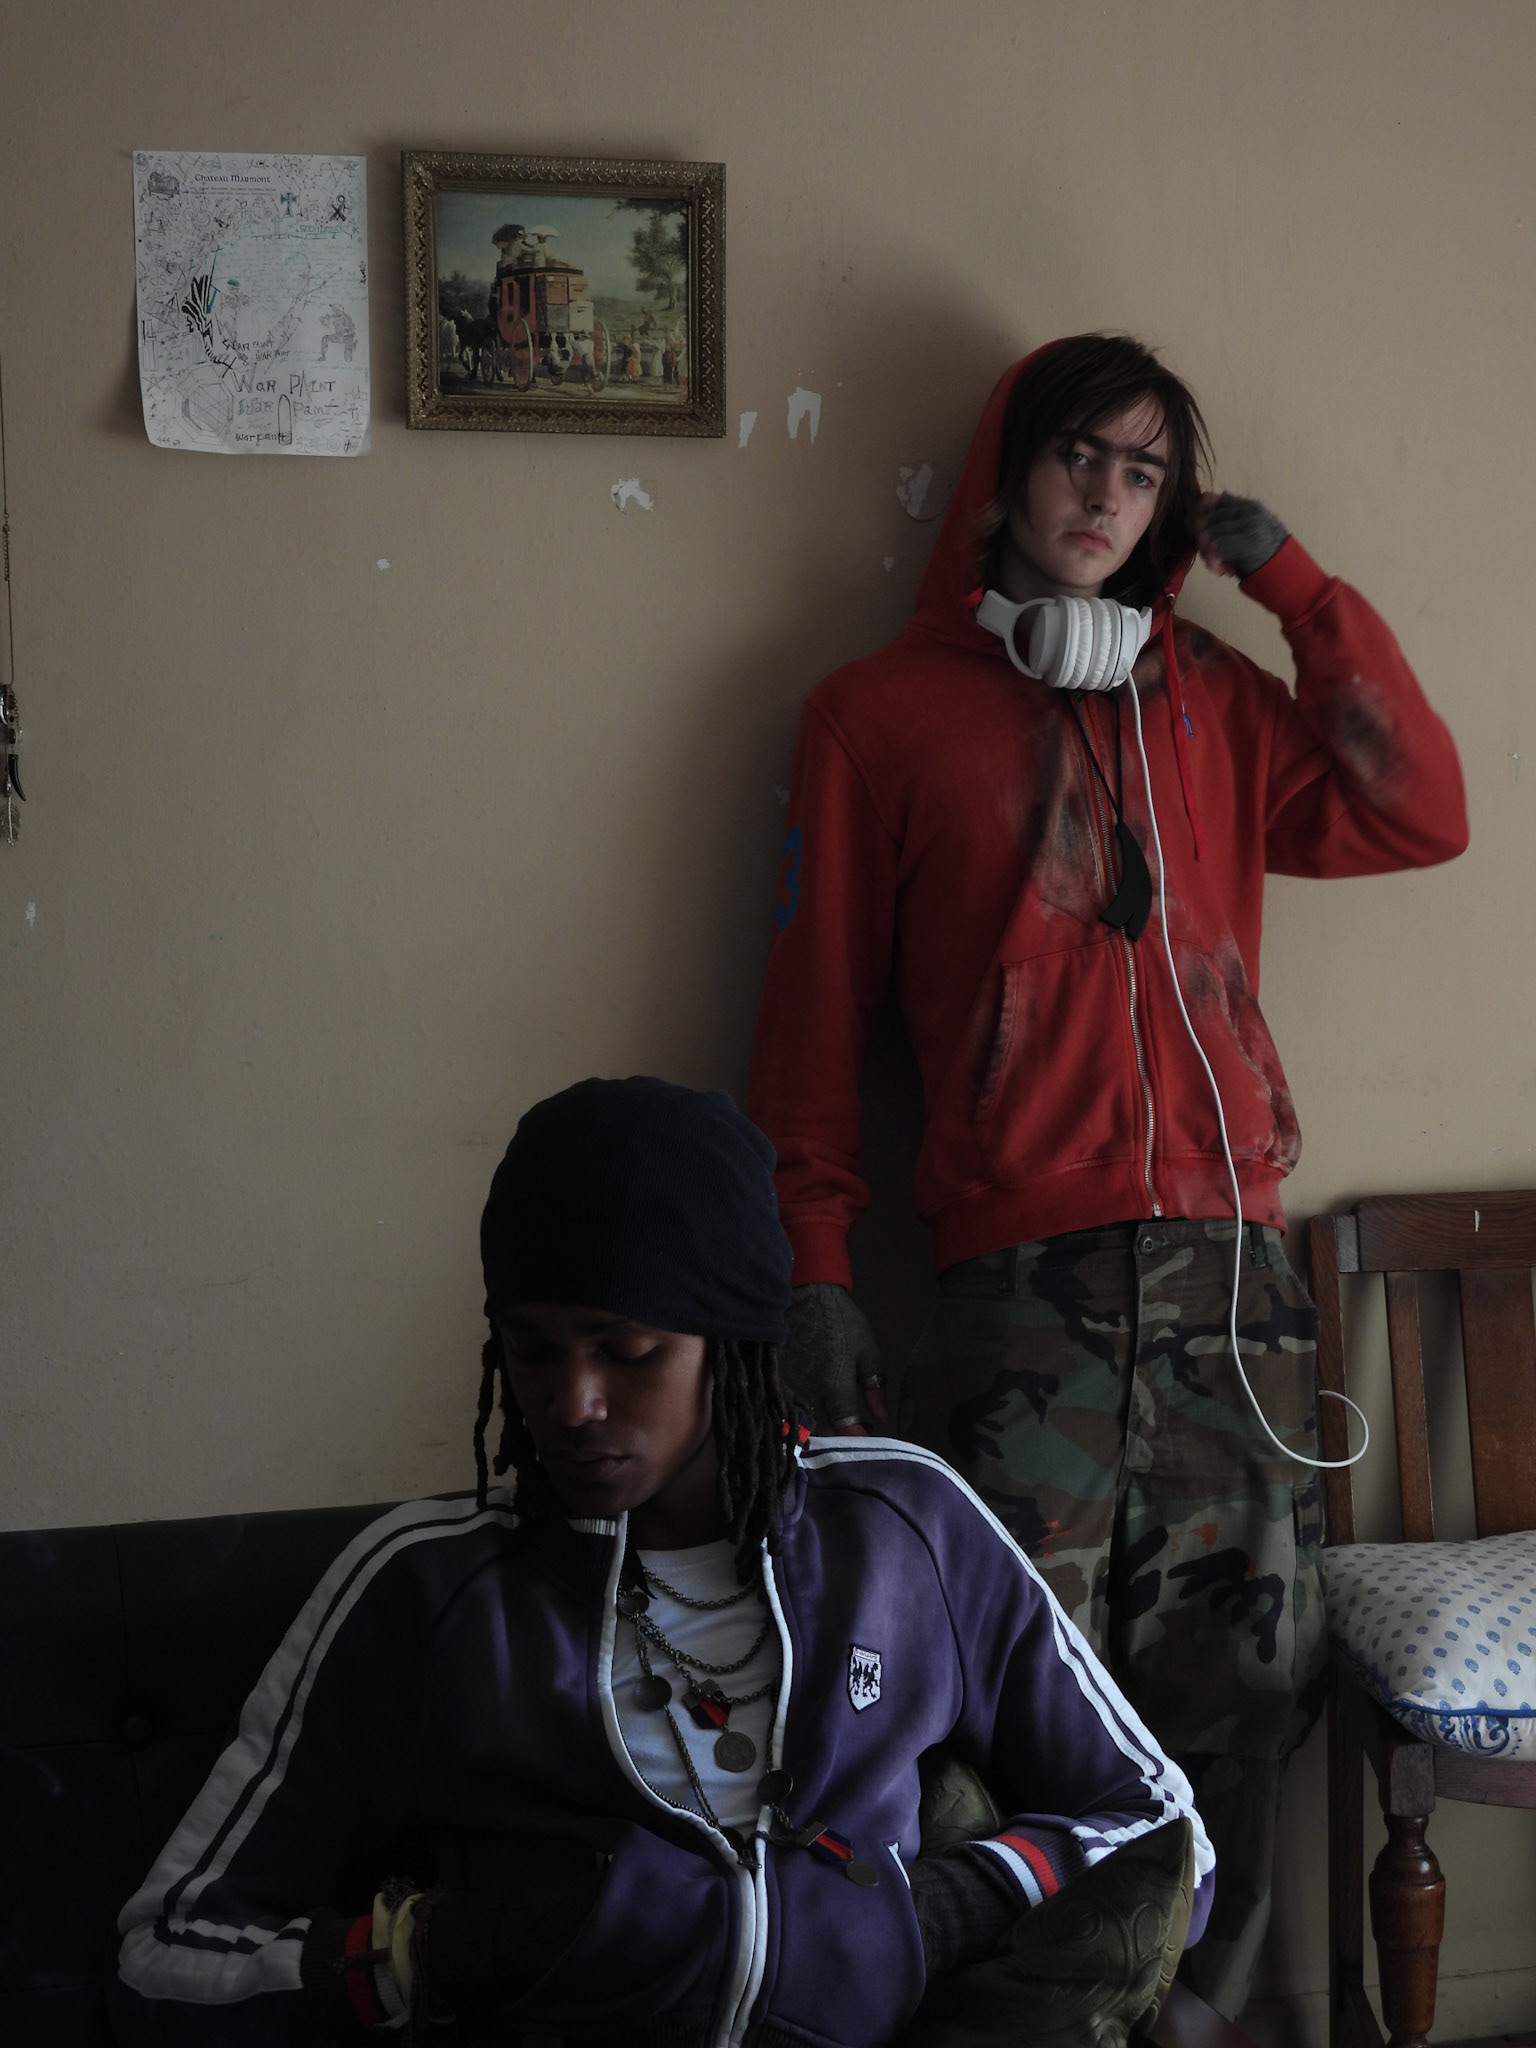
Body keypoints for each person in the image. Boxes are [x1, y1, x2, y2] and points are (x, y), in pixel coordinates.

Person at [746, 334, 1468, 2013]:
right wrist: (815, 1267)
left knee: (1243, 1695)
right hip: (1019, 1300)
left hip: (1236, 1294)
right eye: (1081, 455)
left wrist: (1292, 586)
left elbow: (1420, 811)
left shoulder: (1207, 701)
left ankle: (1203, 2014)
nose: (1105, 497)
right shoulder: (871, 716)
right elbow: (810, 1022)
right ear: (1007, 470)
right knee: (1001, 1708)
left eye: (1144, 474)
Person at [115, 1076, 1212, 2047]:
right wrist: (445, 1952)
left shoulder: (901, 1525)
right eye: (532, 1351)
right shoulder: (427, 1585)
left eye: (628, 1350)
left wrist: (941, 1910)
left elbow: (1163, 1830)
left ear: (731, 1347)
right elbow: (167, 1951)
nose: (571, 1402)